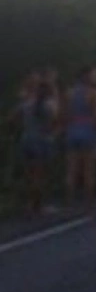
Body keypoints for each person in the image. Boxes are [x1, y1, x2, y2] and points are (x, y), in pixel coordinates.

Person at [11, 74, 58, 216]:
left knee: (29, 175)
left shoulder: (26, 104)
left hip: (26, 139)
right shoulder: (48, 105)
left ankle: (29, 204)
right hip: (41, 141)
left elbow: (13, 118)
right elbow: (53, 122)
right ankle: (37, 206)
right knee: (40, 176)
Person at [65, 66, 96, 217]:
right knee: (89, 172)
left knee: (71, 171)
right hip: (88, 130)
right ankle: (90, 207)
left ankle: (69, 206)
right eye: (95, 75)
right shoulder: (94, 94)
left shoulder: (69, 93)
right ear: (88, 77)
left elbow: (65, 113)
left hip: (73, 129)